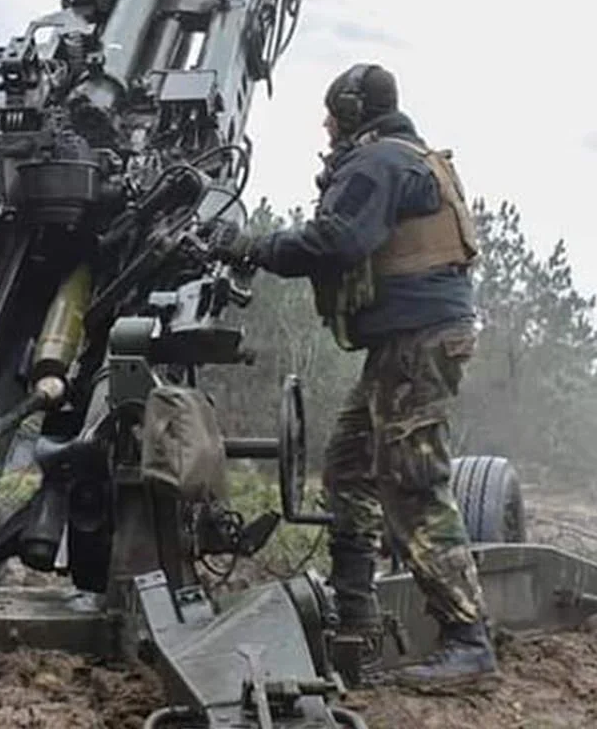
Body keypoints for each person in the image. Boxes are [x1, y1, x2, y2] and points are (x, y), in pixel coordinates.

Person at [209, 62, 496, 688]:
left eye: (331, 113)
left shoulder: (379, 163)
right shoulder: (405, 157)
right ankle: (356, 612)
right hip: (408, 342)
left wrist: (248, 246)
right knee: (348, 467)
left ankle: (467, 641)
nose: (325, 124)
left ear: (351, 108)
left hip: (417, 342)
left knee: (413, 481)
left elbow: (338, 240)